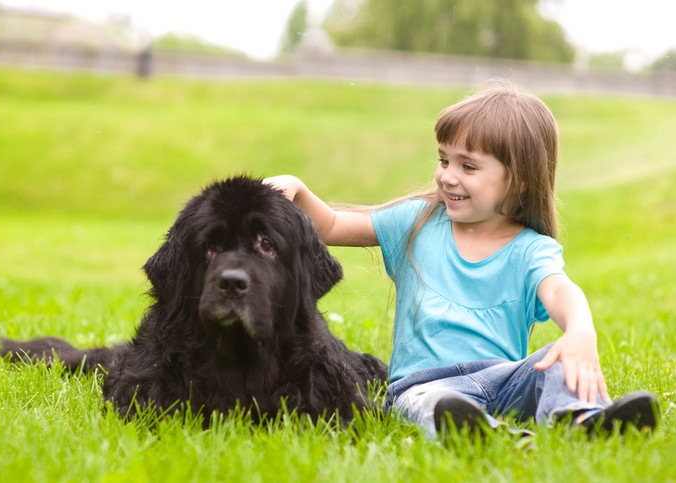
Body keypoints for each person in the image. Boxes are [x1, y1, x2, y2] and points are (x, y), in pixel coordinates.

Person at [264, 82, 659, 439]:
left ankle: (583, 420)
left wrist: (579, 331)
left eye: (468, 166)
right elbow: (332, 226)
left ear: (518, 180)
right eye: (444, 160)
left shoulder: (530, 248)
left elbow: (558, 289)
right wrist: (300, 192)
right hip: (423, 384)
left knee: (554, 362)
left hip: (503, 379)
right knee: (430, 405)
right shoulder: (416, 224)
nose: (447, 177)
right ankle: (487, 434)